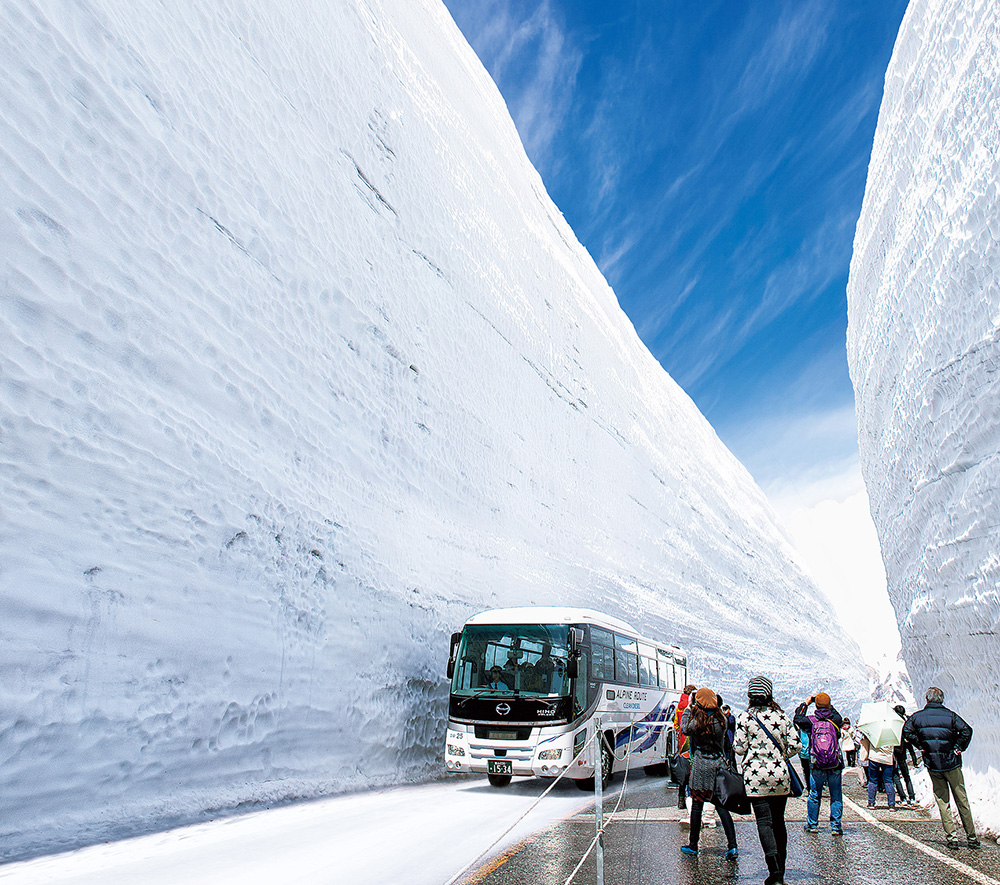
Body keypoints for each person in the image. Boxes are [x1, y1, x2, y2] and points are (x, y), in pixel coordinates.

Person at [734, 675, 800, 885]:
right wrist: (781, 757)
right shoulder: (781, 716)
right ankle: (782, 870)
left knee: (764, 822)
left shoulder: (745, 718)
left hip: (755, 777)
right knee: (779, 822)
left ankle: (775, 873)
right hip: (780, 776)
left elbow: (738, 747)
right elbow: (796, 745)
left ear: (750, 695)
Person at [902, 687, 979, 849]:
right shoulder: (950, 716)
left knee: (943, 801)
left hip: (933, 764)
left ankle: (952, 838)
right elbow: (966, 730)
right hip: (952, 762)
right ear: (941, 700)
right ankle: (971, 837)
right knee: (961, 799)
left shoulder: (917, 717)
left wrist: (921, 744)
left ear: (927, 699)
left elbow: (906, 731)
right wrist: (958, 747)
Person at [680, 687, 739, 860]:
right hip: (718, 765)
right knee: (721, 807)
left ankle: (693, 845)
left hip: (700, 767)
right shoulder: (722, 720)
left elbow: (684, 728)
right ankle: (732, 846)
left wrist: (688, 709)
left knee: (697, 806)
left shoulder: (697, 722)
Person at [794, 692, 845, 835]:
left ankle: (812, 824)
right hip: (835, 763)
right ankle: (835, 826)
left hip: (816, 763)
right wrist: (829, 705)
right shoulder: (835, 719)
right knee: (836, 795)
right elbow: (837, 716)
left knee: (815, 795)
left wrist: (805, 704)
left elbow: (797, 718)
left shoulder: (811, 720)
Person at [673, 684, 696, 810]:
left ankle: (681, 799)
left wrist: (680, 734)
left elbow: (676, 723)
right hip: (691, 740)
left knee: (683, 771)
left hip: (682, 742)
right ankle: (692, 798)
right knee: (693, 770)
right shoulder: (694, 706)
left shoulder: (679, 706)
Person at [860, 733, 896, 809]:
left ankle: (871, 802)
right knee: (888, 781)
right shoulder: (891, 731)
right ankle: (891, 804)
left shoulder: (874, 730)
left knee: (873, 780)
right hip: (887, 758)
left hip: (874, 756)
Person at [892, 705, 919, 805]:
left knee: (895, 775)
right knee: (906, 774)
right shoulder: (905, 721)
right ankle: (912, 797)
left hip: (894, 749)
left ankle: (903, 798)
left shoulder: (893, 721)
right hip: (903, 749)